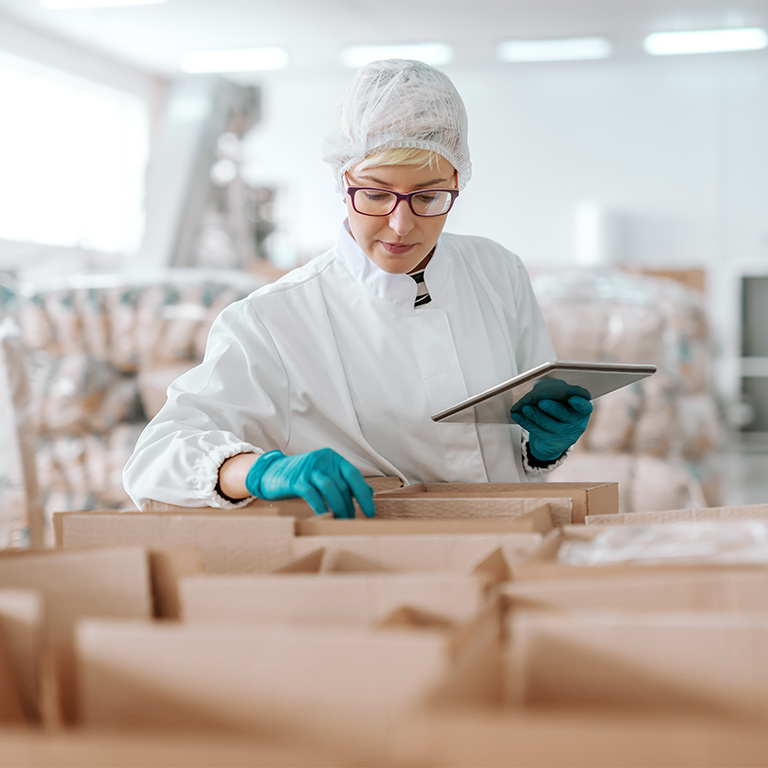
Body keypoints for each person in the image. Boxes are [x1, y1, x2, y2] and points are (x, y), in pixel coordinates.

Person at [123, 59, 592, 518]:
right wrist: (257, 471)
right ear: (342, 180)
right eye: (374, 194)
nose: (401, 224)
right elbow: (155, 457)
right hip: (377, 565)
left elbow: (524, 444)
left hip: (514, 539)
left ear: (457, 181)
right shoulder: (273, 319)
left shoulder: (498, 272)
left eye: (428, 196)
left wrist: (545, 447)